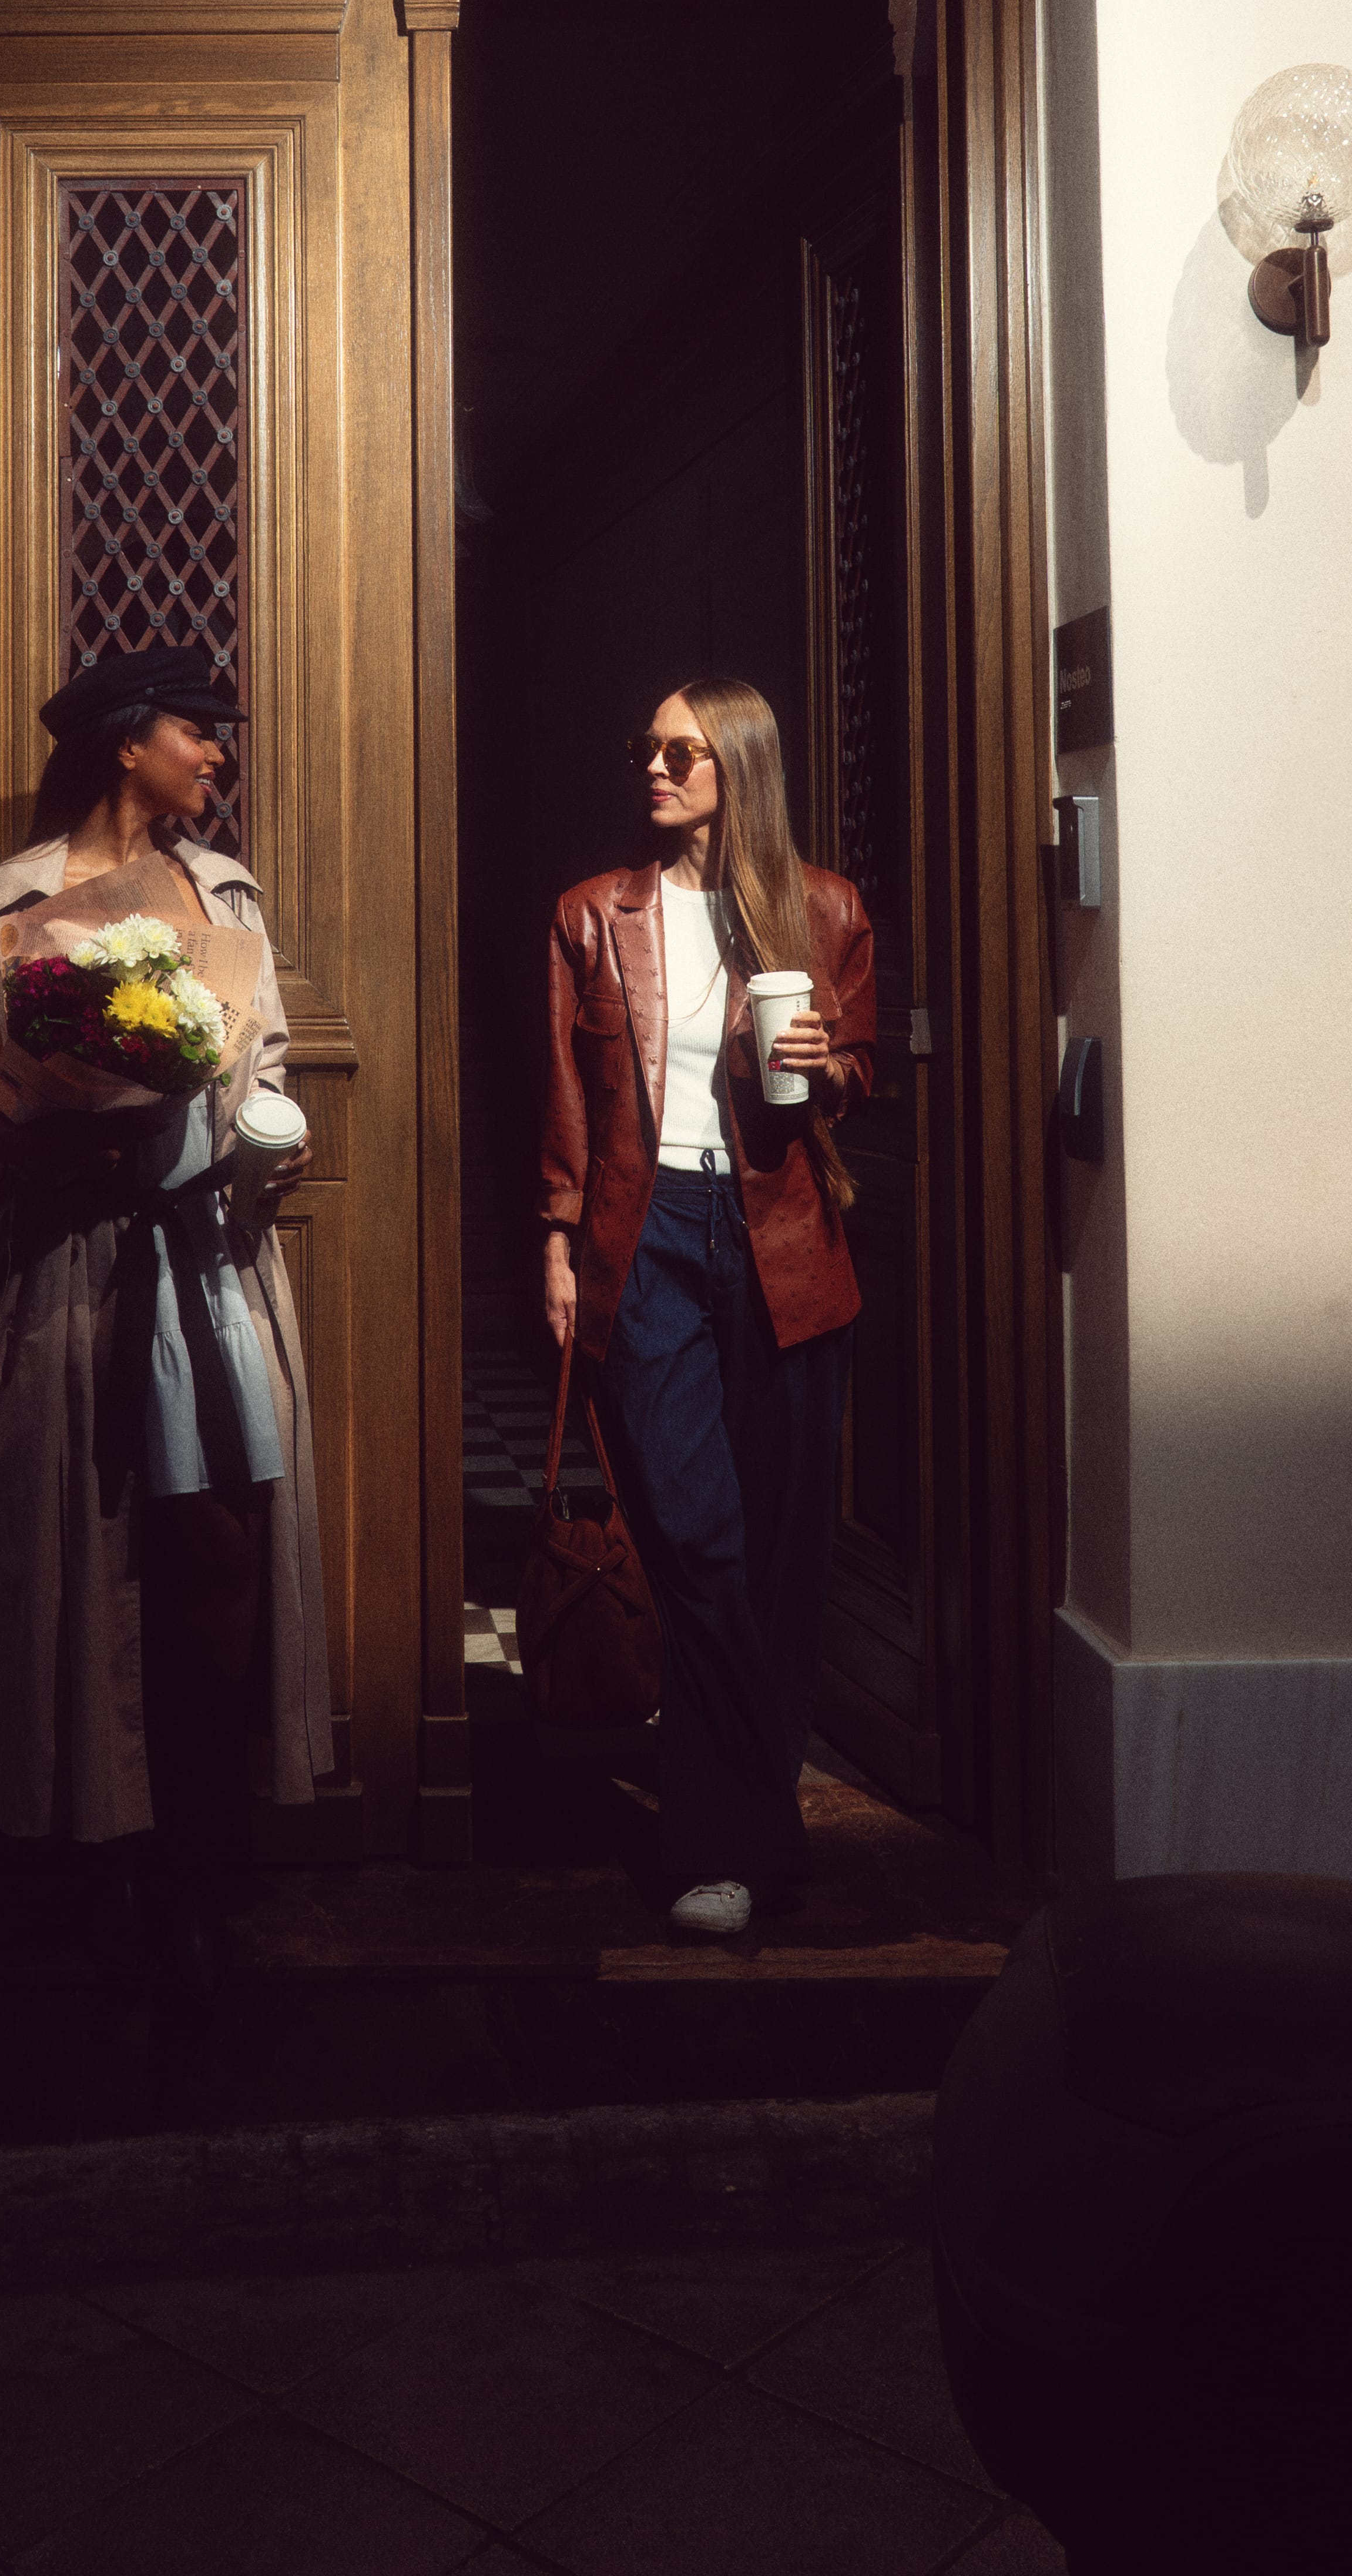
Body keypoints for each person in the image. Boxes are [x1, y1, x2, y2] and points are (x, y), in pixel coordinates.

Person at [0, 645, 333, 1968]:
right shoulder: (19, 901)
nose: (217, 753)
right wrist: (37, 1145)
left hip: (210, 1259)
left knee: (225, 1542)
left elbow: (264, 1058)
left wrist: (271, 1136)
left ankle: (207, 1841)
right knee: (92, 1551)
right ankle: (111, 1862)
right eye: (199, 730)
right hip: (74, 1267)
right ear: (127, 743)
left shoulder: (224, 891)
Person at [541, 675, 878, 1938]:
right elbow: (564, 1091)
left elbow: (860, 1065)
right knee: (696, 1539)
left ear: (739, 766)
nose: (654, 767)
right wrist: (558, 1239)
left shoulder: (824, 907)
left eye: (681, 752)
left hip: (782, 1239)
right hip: (649, 1235)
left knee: (781, 1559)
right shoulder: (594, 913)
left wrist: (828, 1068)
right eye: (648, 747)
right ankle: (737, 1843)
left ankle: (727, 1827)